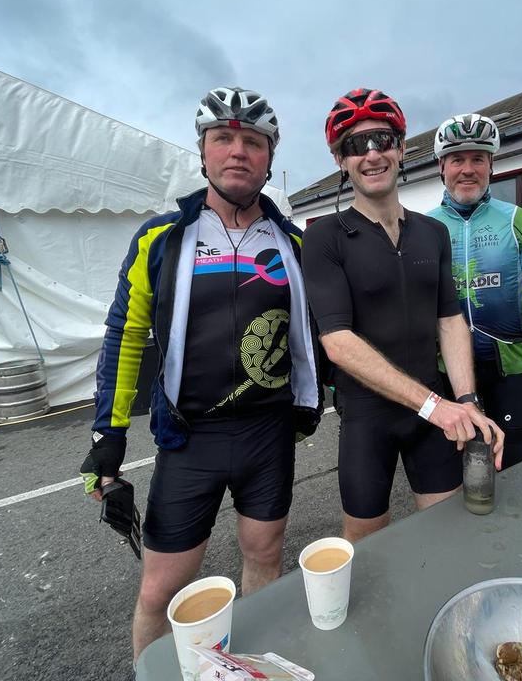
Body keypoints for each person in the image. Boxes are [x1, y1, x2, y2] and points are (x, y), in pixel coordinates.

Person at [79, 87, 322, 664]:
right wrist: (106, 437)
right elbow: (124, 337)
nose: (238, 151)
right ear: (205, 152)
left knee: (264, 560)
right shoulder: (162, 238)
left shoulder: (293, 243)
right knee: (162, 590)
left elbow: (318, 331)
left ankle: (250, 670)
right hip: (191, 438)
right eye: (224, 138)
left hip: (268, 432)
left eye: (253, 142)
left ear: (269, 156)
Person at [303, 88, 504, 544]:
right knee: (367, 544)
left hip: (435, 410)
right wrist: (437, 407)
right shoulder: (325, 238)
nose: (371, 154)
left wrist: (467, 400)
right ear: (341, 161)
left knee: (446, 532)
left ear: (401, 148)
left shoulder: (433, 233)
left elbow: (450, 320)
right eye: (356, 146)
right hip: (368, 416)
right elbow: (337, 341)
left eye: (382, 140)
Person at [426, 113, 522, 470]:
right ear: (441, 167)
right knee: (452, 464)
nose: (468, 169)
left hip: (510, 363)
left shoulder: (516, 220)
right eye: (457, 159)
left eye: (478, 158)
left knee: (514, 462)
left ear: (492, 165)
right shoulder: (424, 227)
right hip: (447, 366)